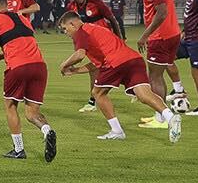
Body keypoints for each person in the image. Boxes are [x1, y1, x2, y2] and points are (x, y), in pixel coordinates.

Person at [58, 12, 181, 143]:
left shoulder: (81, 32)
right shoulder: (95, 29)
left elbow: (79, 55)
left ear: (73, 24)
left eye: (65, 28)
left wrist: (64, 65)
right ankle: (170, 117)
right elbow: (96, 64)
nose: (66, 32)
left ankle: (117, 131)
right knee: (143, 94)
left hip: (115, 62)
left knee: (97, 93)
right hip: (134, 59)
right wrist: (75, 70)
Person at [0, 0, 57, 162]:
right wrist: (0, 55)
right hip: (39, 66)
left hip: (18, 68)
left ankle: (19, 150)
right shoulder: (22, 19)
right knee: (32, 113)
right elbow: (21, 44)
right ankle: (47, 130)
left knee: (11, 106)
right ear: (6, 3)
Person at [134, 0, 183, 129]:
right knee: (157, 75)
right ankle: (159, 114)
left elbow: (162, 12)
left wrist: (145, 35)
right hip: (171, 34)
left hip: (161, 37)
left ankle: (161, 118)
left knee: (154, 77)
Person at [66, 0, 124, 113]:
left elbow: (112, 20)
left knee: (99, 69)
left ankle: (93, 101)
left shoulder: (96, 3)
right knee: (102, 70)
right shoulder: (71, 7)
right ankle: (94, 100)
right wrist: (78, 47)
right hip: (91, 46)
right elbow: (74, 30)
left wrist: (119, 39)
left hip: (104, 44)